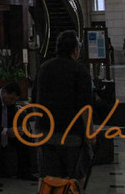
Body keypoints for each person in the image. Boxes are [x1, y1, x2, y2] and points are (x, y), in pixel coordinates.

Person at [34, 30, 94, 188]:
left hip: (45, 132)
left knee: (46, 177)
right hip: (71, 134)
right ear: (76, 50)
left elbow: (35, 99)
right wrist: (89, 132)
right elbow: (85, 106)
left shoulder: (43, 68)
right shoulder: (80, 71)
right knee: (76, 177)